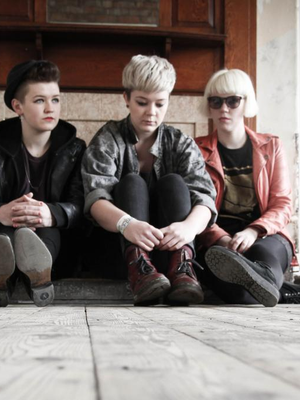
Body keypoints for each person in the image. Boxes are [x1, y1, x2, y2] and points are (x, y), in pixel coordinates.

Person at [81, 55, 217, 306]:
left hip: (168, 250)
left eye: (160, 104)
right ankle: (140, 269)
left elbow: (205, 197)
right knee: (132, 182)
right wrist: (127, 224)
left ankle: (183, 268)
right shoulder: (108, 139)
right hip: (118, 253)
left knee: (173, 182)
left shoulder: (180, 142)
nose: (151, 113)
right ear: (126, 98)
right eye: (142, 103)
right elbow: (95, 199)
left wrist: (188, 228)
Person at [195, 68, 300, 306]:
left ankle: (267, 280)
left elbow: (282, 204)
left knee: (260, 257)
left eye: (232, 101)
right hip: (218, 242)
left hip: (265, 235)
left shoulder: (271, 146)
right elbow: (195, 205)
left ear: (246, 103)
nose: (224, 109)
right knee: (239, 294)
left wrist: (253, 231)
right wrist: (221, 238)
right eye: (216, 101)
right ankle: (288, 291)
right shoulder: (196, 150)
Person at [0, 60, 85, 307]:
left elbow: (80, 204)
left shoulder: (75, 150)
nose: (50, 108)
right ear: (18, 106)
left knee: (44, 230)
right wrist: (1, 212)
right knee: (5, 235)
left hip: (58, 243)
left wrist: (51, 214)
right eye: (39, 100)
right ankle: (5, 279)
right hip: (7, 229)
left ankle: (34, 275)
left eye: (55, 99)